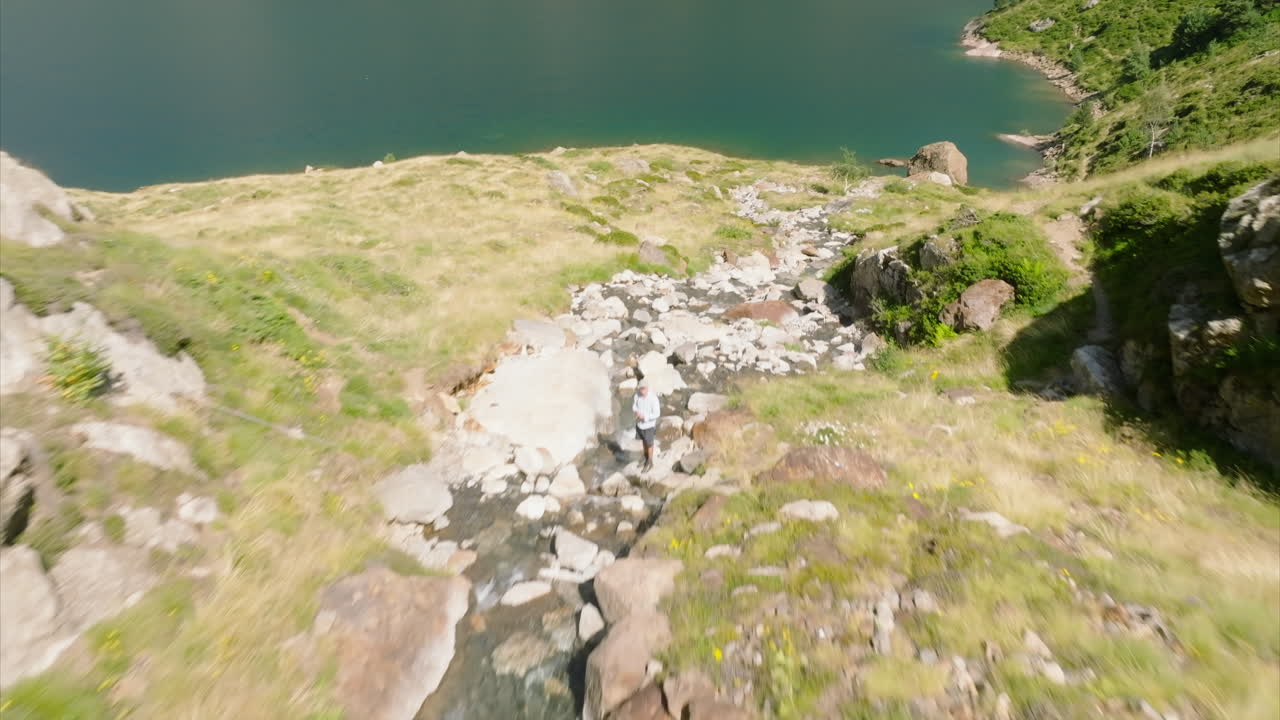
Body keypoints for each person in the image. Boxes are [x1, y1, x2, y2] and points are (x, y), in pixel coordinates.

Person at [632, 380, 660, 471]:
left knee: (649, 443)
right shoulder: (637, 395)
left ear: (647, 388)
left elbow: (657, 414)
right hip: (640, 424)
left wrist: (645, 416)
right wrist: (636, 412)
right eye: (640, 389)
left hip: (649, 425)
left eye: (643, 389)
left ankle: (650, 461)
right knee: (643, 441)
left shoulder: (653, 398)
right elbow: (634, 406)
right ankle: (645, 457)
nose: (642, 391)